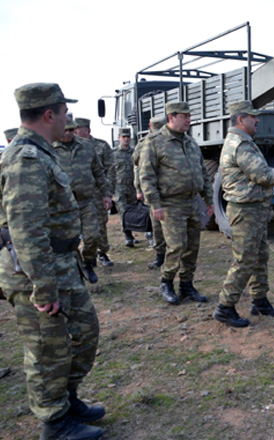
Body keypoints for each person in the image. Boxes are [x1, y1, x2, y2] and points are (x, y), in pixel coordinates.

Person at [0, 83, 104, 440]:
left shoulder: (41, 153)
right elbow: (27, 231)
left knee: (84, 333)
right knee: (48, 350)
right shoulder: (26, 158)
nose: (67, 120)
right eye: (64, 113)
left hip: (61, 262)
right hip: (36, 272)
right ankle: (55, 424)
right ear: (49, 115)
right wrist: (43, 289)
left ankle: (67, 398)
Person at [213, 100, 274, 327]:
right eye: (253, 117)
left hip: (254, 210)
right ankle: (225, 307)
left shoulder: (243, 142)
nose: (258, 120)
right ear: (241, 119)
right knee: (245, 260)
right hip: (246, 210)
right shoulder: (240, 144)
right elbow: (261, 174)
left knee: (260, 256)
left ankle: (259, 300)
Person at [139, 102, 214, 305]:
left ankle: (187, 285)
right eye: (184, 116)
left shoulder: (190, 142)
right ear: (171, 117)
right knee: (177, 246)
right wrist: (155, 204)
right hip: (170, 204)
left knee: (192, 246)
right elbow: (146, 176)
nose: (189, 120)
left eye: (189, 116)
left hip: (192, 202)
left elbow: (203, 173)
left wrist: (209, 200)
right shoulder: (154, 142)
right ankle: (167, 282)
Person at [53, 115, 113, 284]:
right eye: (64, 130)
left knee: (93, 236)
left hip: (86, 201)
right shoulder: (50, 149)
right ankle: (69, 270)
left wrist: (107, 194)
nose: (67, 133)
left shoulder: (86, 146)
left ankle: (87, 262)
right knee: (65, 241)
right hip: (62, 205)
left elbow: (99, 172)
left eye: (71, 130)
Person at [74, 118, 115, 267]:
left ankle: (102, 253)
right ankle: (84, 258)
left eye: (77, 129)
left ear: (87, 130)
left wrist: (108, 192)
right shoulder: (69, 147)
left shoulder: (100, 146)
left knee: (100, 224)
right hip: (77, 195)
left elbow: (109, 169)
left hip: (97, 193)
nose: (74, 132)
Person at [133, 115, 167, 269]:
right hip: (155, 190)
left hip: (167, 191)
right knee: (158, 226)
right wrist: (139, 189)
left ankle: (165, 256)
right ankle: (160, 256)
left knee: (162, 226)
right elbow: (137, 163)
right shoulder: (146, 142)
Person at [111, 127, 138, 247]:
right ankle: (127, 235)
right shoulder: (113, 154)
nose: (126, 139)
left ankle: (132, 234)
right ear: (119, 138)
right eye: (123, 137)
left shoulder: (135, 152)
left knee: (132, 211)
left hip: (133, 187)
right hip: (119, 187)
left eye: (128, 137)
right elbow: (109, 171)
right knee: (123, 210)